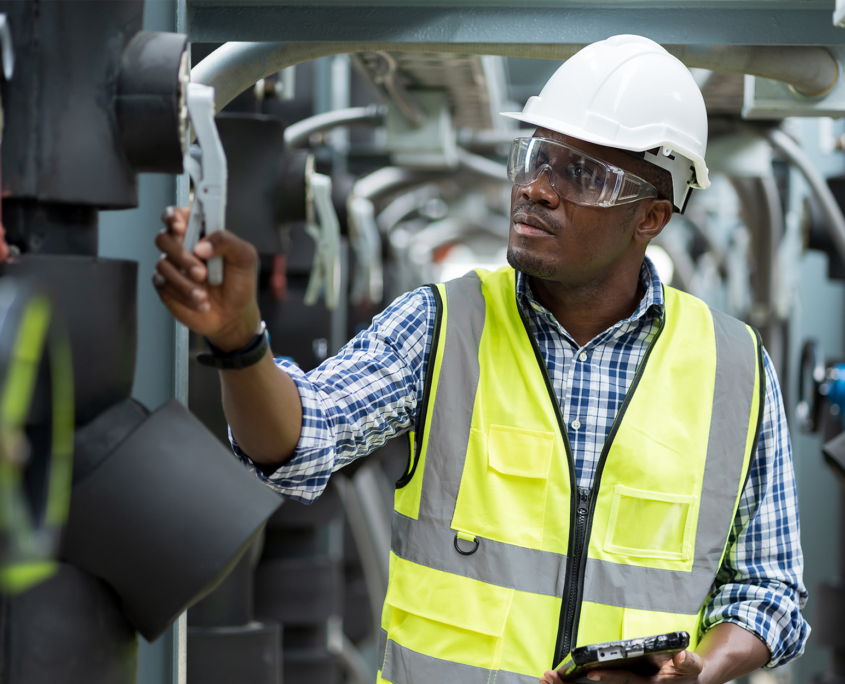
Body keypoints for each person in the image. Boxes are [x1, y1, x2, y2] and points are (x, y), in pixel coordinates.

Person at [153, 35, 808, 684]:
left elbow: (767, 590)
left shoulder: (734, 369)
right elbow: (298, 444)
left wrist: (699, 668)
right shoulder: (441, 327)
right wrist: (241, 342)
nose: (538, 190)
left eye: (581, 173)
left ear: (651, 217)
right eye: (534, 158)